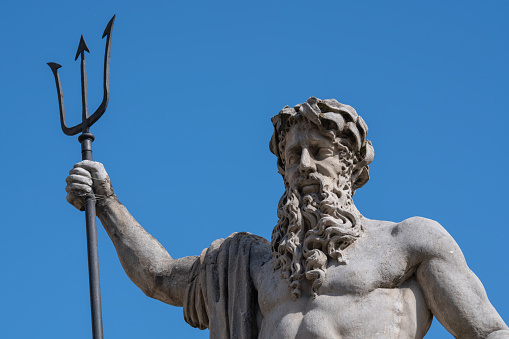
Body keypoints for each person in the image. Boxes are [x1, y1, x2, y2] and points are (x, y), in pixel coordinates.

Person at [66, 97, 508, 338]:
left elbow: (487, 332)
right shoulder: (248, 263)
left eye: (320, 153)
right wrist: (106, 202)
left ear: (350, 166)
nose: (304, 166)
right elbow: (160, 277)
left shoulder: (408, 241)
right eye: (292, 155)